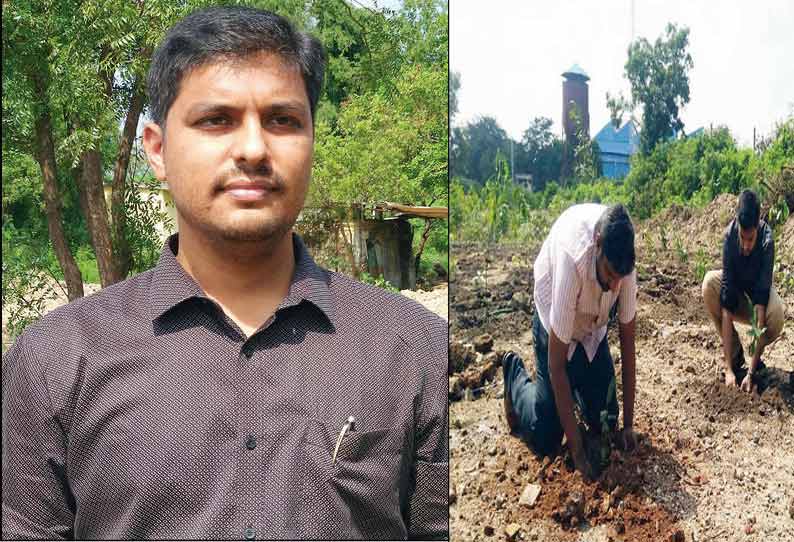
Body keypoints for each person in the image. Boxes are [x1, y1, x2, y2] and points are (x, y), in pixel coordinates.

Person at [1, 7, 447, 540]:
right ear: (158, 150)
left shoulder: (415, 351)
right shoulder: (56, 361)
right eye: (217, 120)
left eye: (283, 120)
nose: (254, 149)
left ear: (310, 140)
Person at [502, 204, 638, 479]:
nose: (614, 287)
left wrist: (628, 426)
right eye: (610, 275)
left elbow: (628, 346)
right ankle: (513, 375)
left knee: (607, 423)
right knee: (546, 439)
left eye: (619, 279)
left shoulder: (624, 266)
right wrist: (576, 450)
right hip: (554, 327)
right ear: (597, 245)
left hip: (590, 331)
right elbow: (556, 366)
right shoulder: (572, 259)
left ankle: (578, 390)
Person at [702, 189, 785, 393]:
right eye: (743, 238)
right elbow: (727, 305)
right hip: (738, 295)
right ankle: (736, 357)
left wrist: (751, 374)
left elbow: (760, 307)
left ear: (758, 226)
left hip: (755, 300)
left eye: (751, 239)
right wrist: (729, 370)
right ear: (738, 226)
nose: (746, 245)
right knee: (709, 284)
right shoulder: (730, 237)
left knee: (778, 314)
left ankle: (753, 363)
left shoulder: (767, 242)